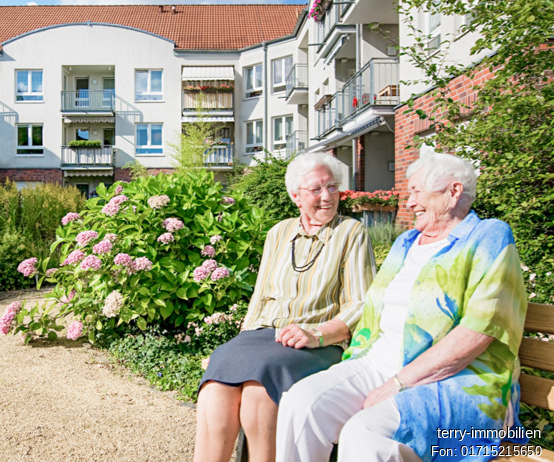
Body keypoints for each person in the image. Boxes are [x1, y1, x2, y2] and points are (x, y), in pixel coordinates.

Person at [276, 149, 528, 462]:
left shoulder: (488, 236)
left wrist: (398, 382)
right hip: (376, 364)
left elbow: (477, 331)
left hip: (454, 380)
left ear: (454, 192)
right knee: (302, 402)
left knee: (364, 434)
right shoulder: (405, 241)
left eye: (416, 192)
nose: (408, 203)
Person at [194, 152, 376, 462]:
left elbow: (362, 303)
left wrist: (317, 333)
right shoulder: (279, 233)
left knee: (258, 392)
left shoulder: (351, 232)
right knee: (215, 388)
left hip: (316, 341)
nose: (327, 196)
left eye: (332, 187)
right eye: (316, 190)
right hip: (263, 334)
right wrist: (235, 346)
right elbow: (261, 296)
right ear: (296, 196)